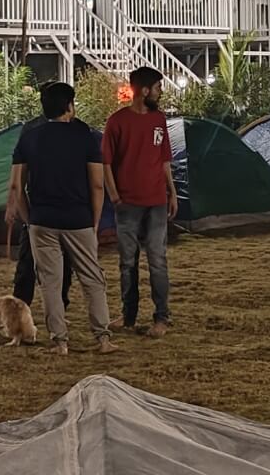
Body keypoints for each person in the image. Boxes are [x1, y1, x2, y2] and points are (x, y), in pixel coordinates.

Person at [10, 82, 115, 355]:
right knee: (92, 279)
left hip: (42, 220)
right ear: (70, 105)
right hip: (78, 219)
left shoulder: (29, 138)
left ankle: (60, 341)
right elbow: (97, 185)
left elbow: (16, 187)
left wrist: (28, 218)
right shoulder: (87, 137)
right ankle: (103, 338)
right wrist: (94, 222)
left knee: (50, 283)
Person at [102, 66, 178, 338]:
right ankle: (129, 315)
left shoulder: (159, 120)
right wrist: (114, 196)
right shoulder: (117, 122)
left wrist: (172, 192)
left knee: (157, 260)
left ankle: (161, 317)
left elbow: (164, 159)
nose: (160, 92)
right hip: (128, 203)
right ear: (144, 90)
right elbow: (106, 162)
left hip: (156, 201)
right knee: (128, 262)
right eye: (158, 87)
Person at [6, 101, 73, 311]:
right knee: (31, 261)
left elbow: (18, 174)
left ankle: (55, 306)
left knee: (59, 262)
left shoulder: (73, 129)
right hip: (46, 208)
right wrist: (17, 206)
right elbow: (19, 172)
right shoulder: (34, 130)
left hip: (52, 208)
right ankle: (22, 307)